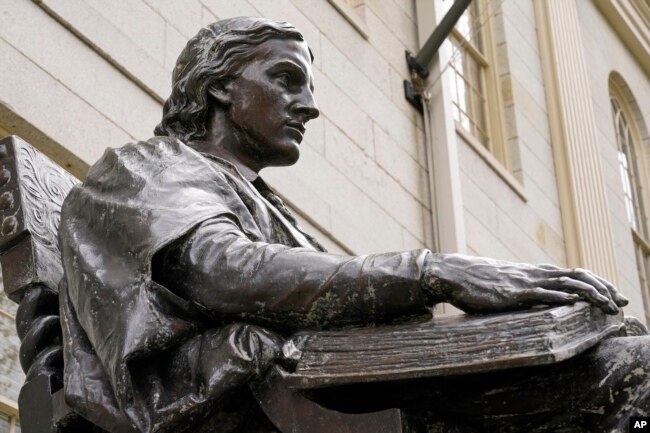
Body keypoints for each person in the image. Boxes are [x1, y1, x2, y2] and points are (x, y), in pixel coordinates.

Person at [58, 17, 648, 433]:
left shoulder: (263, 203)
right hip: (282, 405)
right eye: (286, 79)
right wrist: (433, 271)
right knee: (637, 372)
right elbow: (218, 270)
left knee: (624, 346)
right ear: (218, 86)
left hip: (354, 387)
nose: (310, 105)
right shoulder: (146, 165)